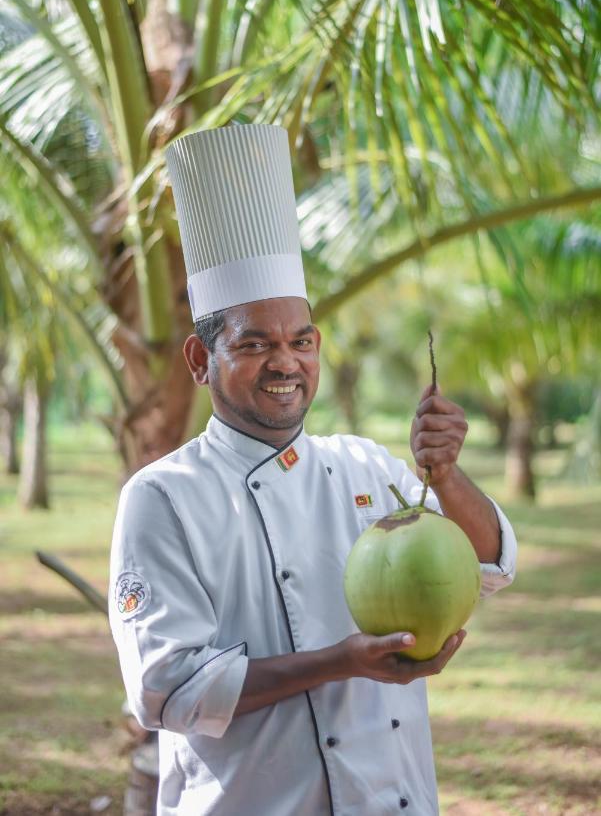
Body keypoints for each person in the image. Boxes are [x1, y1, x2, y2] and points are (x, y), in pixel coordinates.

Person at [109, 125, 517, 816]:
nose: (285, 362)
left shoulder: (363, 464)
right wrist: (342, 662)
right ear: (199, 361)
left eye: (300, 340)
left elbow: (487, 566)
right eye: (255, 343)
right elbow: (166, 689)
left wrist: (444, 475)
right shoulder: (163, 496)